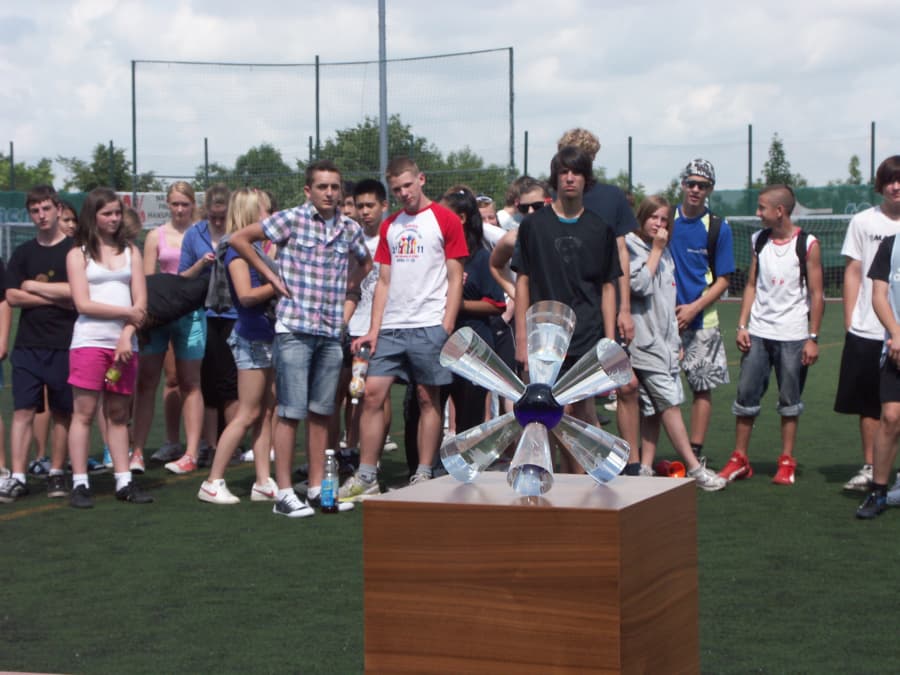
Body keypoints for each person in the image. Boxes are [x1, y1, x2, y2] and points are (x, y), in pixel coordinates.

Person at [229, 159, 371, 517]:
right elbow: (239, 239)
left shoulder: (350, 228)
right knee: (290, 412)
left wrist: (349, 298)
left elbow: (365, 263)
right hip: (294, 329)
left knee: (322, 413)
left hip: (330, 332)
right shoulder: (290, 219)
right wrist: (270, 276)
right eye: (322, 186)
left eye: (335, 187)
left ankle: (317, 489)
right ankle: (284, 493)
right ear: (308, 190)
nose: (329, 193)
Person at [339, 156, 466, 500]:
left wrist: (446, 323)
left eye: (408, 185)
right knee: (371, 394)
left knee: (427, 398)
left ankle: (423, 473)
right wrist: (373, 329)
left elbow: (456, 277)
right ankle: (367, 476)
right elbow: (383, 281)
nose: (404, 193)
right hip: (391, 327)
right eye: (397, 189)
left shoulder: (445, 219)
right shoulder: (391, 226)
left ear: (421, 179)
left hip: (429, 325)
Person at [510, 146, 620, 470]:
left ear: (587, 179)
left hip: (587, 334)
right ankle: (551, 481)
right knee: (546, 414)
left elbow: (608, 286)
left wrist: (609, 341)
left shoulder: (600, 228)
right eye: (564, 172)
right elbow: (522, 281)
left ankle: (581, 484)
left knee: (581, 414)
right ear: (555, 178)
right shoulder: (533, 226)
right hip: (544, 338)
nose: (570, 178)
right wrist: (521, 339)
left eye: (577, 172)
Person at [719, 185, 824, 485]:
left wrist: (812, 337)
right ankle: (739, 459)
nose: (757, 213)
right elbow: (751, 284)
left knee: (790, 400)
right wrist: (742, 325)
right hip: (759, 333)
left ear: (779, 211)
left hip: (793, 335)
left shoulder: (808, 244)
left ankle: (787, 460)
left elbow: (817, 294)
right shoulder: (759, 240)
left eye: (762, 208)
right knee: (745, 396)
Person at [625, 196, 726, 490]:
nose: (659, 224)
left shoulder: (665, 250)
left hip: (665, 341)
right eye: (653, 217)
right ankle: (695, 469)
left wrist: (674, 339)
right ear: (642, 217)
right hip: (644, 342)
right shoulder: (632, 246)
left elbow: (667, 299)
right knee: (669, 402)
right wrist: (656, 250)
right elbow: (639, 285)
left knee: (653, 407)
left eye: (664, 220)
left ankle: (645, 466)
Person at [555, 128, 641, 470]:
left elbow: (621, 253)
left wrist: (624, 308)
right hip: (565, 311)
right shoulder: (552, 196)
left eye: (583, 158)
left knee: (626, 384)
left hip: (602, 305)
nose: (573, 170)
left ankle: (632, 463)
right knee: (573, 399)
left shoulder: (610, 197)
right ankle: (585, 467)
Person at [65, 188, 152, 508]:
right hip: (89, 342)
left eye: (117, 212)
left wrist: (127, 334)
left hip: (124, 347)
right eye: (107, 213)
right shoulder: (78, 255)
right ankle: (80, 483)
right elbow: (83, 304)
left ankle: (123, 480)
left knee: (118, 414)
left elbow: (141, 303)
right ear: (93, 216)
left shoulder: (131, 251)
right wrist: (126, 313)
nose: (114, 218)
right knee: (84, 413)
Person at [198, 188, 278, 505]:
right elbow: (245, 296)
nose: (270, 218)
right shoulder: (236, 251)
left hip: (265, 335)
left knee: (266, 412)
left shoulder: (254, 249)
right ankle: (212, 481)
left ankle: (263, 480)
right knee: (247, 413)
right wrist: (279, 284)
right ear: (250, 214)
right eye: (265, 212)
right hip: (251, 336)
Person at [0, 186, 76, 503]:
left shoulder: (75, 251)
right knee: (23, 410)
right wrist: (55, 296)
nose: (41, 215)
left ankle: (57, 471)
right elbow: (12, 296)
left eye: (46, 208)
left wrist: (32, 286)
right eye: (35, 210)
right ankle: (18, 476)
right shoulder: (23, 253)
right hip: (28, 345)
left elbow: (77, 294)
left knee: (62, 413)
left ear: (58, 209)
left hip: (66, 344)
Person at [130, 182, 205, 475]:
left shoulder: (200, 233)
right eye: (175, 204)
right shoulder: (155, 236)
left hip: (191, 314)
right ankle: (138, 451)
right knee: (147, 381)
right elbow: (146, 280)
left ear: (192, 204)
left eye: (185, 204)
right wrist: (144, 318)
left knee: (190, 382)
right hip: (158, 316)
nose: (180, 209)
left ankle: (191, 452)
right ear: (168, 205)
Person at [835, 156, 900, 491]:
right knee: (870, 404)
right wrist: (851, 319)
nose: (896, 186)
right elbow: (853, 270)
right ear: (880, 186)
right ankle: (871, 467)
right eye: (889, 180)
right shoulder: (862, 221)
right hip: (868, 328)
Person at [166, 184, 236, 473]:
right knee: (206, 380)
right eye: (213, 217)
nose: (217, 222)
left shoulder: (238, 232)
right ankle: (210, 444)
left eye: (222, 217)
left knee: (231, 382)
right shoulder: (195, 234)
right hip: (203, 312)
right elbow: (182, 275)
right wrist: (200, 264)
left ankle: (231, 442)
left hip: (233, 312)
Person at [669, 159, 735, 462]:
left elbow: (724, 280)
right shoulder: (666, 219)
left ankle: (695, 453)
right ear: (683, 184)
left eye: (703, 185)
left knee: (702, 387)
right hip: (662, 321)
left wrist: (693, 309)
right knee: (656, 391)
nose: (696, 190)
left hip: (702, 321)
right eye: (691, 183)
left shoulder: (719, 227)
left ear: (710, 189)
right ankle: (646, 457)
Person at [441, 187, 505, 432]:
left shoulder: (480, 257)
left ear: (461, 218)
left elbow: (496, 304)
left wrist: (457, 304)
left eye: (444, 214)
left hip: (473, 345)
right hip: (439, 341)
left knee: (470, 418)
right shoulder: (437, 254)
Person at [856, 228, 900, 517]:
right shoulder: (891, 245)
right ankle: (878, 492)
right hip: (897, 348)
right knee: (891, 417)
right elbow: (879, 296)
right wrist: (896, 333)